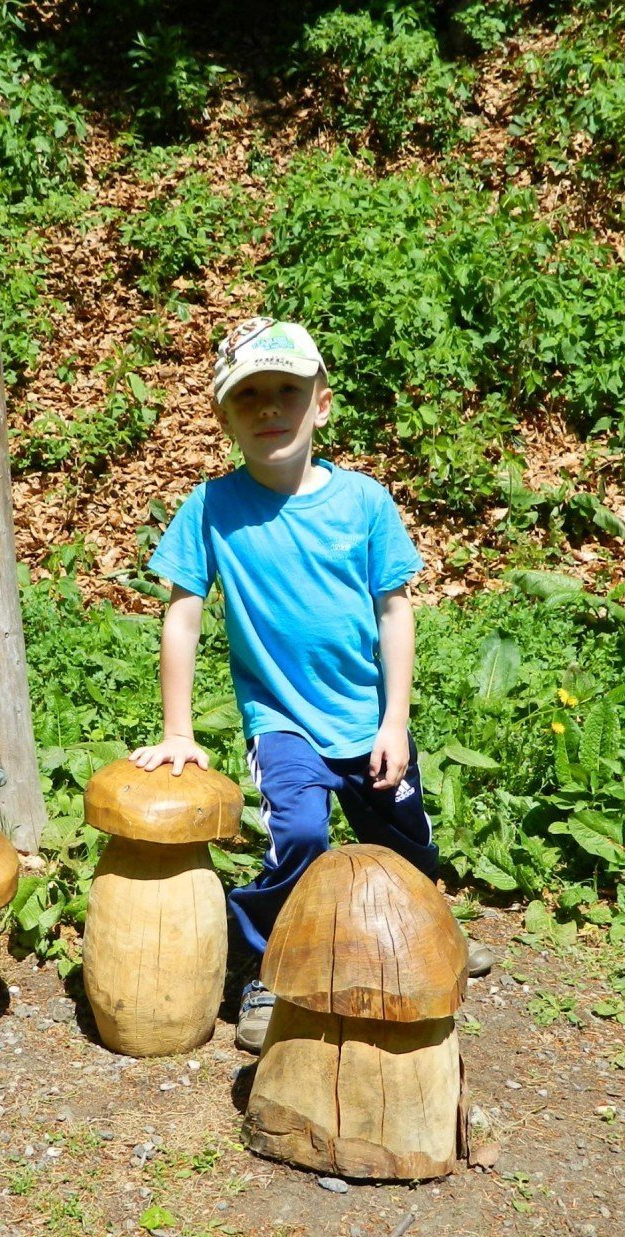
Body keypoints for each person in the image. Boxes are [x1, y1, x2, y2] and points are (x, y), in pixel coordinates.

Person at [129, 317, 492, 1054]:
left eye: (287, 392)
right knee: (297, 834)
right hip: (281, 720)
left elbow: (395, 612)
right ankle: (266, 959)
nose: (269, 409)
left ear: (321, 403)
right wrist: (177, 731)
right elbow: (183, 618)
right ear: (224, 416)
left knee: (405, 848)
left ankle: (427, 932)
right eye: (249, 396)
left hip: (367, 717)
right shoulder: (212, 508)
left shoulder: (364, 504)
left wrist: (394, 721)